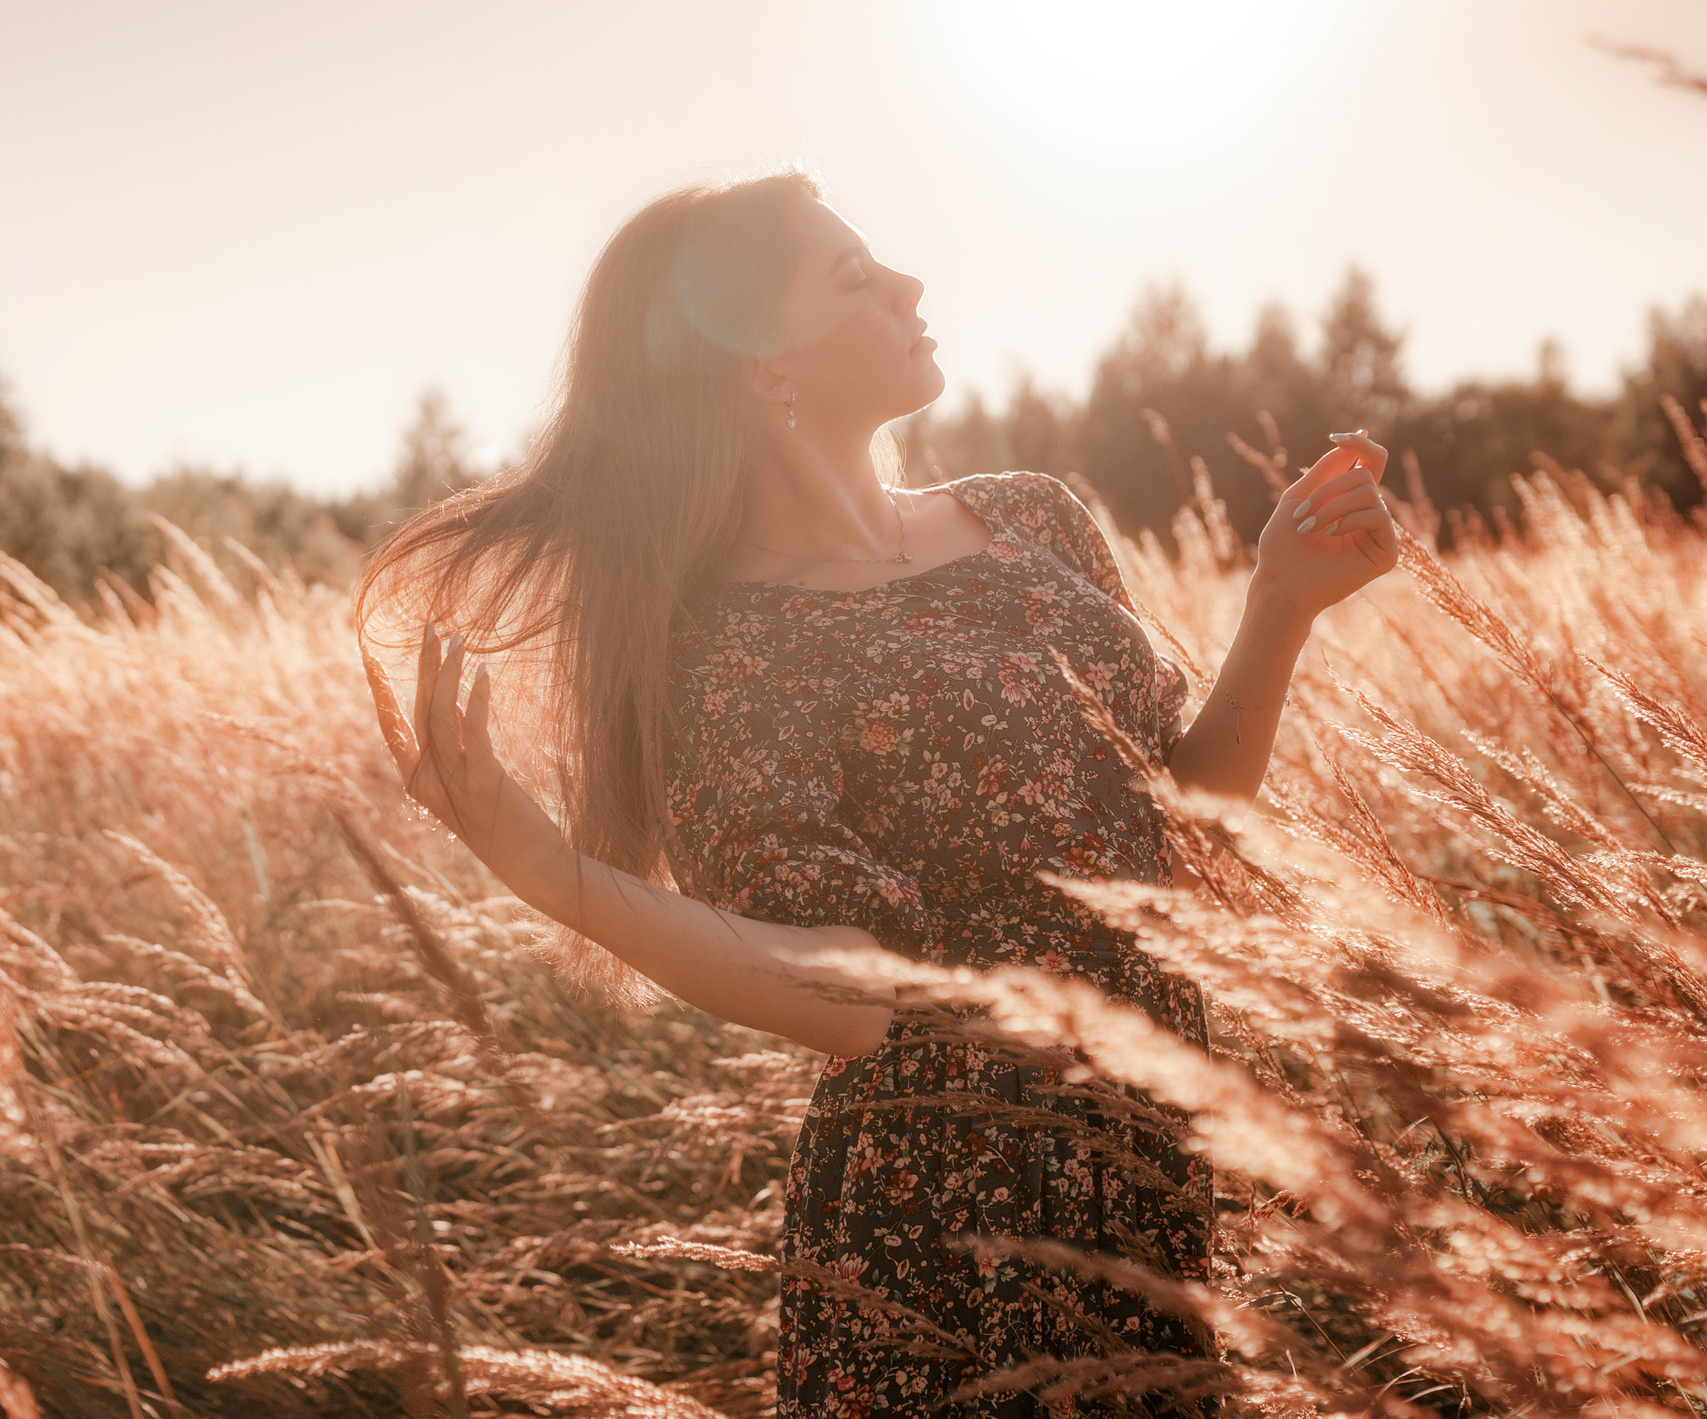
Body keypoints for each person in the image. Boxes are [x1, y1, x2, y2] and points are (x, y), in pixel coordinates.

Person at [358, 166, 1398, 1416]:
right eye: (854, 276)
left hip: (1145, 1166)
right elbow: (852, 1001)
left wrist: (1277, 607)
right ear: (759, 363)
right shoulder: (727, 646)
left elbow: (1172, 832)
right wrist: (546, 872)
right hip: (947, 1221)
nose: (909, 283)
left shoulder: (1031, 519)